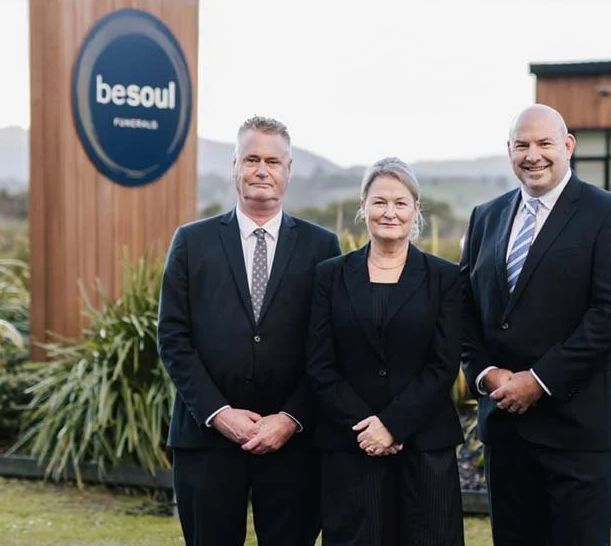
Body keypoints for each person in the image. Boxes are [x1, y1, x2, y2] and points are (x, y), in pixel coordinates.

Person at [460, 104, 611, 545]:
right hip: (506, 427)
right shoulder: (486, 216)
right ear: (509, 151)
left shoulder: (610, 214)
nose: (533, 154)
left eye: (544, 143)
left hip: (578, 428)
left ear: (568, 146)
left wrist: (538, 381)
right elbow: (463, 308)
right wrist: (486, 375)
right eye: (522, 144)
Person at [157, 116, 341, 546]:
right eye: (252, 158)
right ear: (234, 165)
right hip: (206, 439)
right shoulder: (191, 242)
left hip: (292, 442)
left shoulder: (321, 247)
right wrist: (220, 414)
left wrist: (291, 418)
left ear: (288, 170)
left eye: (273, 161)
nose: (262, 169)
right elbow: (173, 338)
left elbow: (329, 345)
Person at [306, 157, 465, 546]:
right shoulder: (331, 274)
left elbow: (443, 363)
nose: (389, 212)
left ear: (415, 210)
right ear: (363, 208)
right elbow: (320, 364)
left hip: (425, 446)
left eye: (399, 203)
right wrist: (367, 426)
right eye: (379, 202)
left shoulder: (444, 277)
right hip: (351, 444)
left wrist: (393, 424)